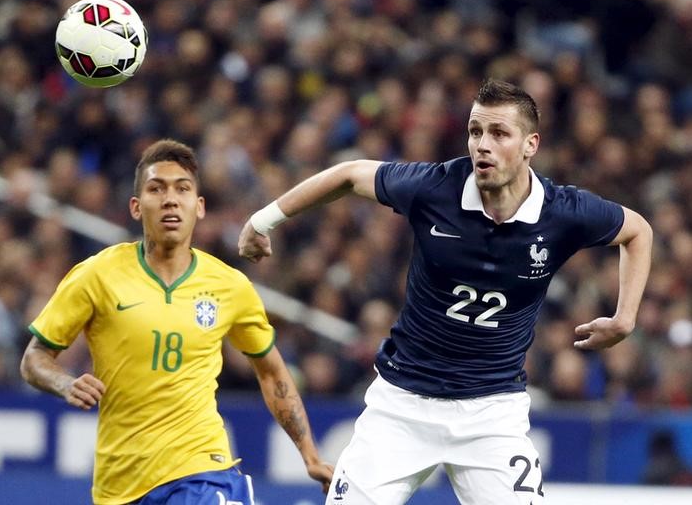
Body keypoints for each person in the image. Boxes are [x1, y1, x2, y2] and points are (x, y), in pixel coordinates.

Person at [238, 79, 653, 504]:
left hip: (492, 414)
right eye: (475, 131)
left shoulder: (563, 211)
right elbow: (348, 174)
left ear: (531, 145)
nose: (482, 145)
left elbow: (638, 230)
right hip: (402, 405)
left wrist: (625, 318)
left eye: (498, 133)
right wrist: (263, 220)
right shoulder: (435, 188)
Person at [20, 139, 333, 505]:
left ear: (199, 207)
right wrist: (64, 383)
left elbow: (272, 372)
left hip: (202, 470)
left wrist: (309, 454)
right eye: (157, 189)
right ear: (136, 207)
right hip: (119, 483)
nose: (171, 199)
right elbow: (34, 358)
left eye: (182, 189)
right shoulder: (96, 275)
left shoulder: (229, 286)